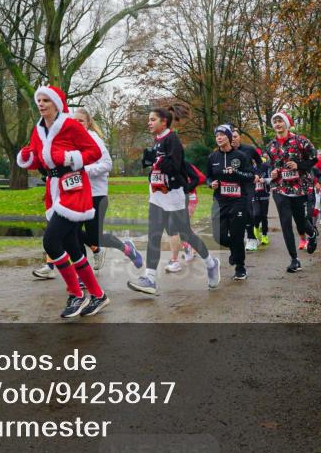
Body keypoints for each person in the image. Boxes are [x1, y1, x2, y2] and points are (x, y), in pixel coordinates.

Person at [17, 87, 110, 318]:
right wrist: (28, 157)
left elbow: (94, 152)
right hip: (54, 189)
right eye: (38, 100)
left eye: (46, 100)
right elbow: (40, 158)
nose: (41, 104)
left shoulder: (70, 125)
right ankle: (98, 295)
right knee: (72, 245)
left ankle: (76, 293)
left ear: (57, 103)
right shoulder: (38, 129)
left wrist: (71, 158)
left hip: (74, 187)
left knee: (51, 241)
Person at [31, 108, 143, 280]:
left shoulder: (93, 138)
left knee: (93, 237)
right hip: (77, 194)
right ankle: (81, 275)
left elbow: (107, 164)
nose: (76, 124)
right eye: (74, 121)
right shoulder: (70, 139)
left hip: (96, 195)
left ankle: (126, 247)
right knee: (72, 234)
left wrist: (82, 169)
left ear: (88, 123)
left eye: (80, 121)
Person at [129, 107, 219, 295]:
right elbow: (157, 168)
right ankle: (150, 278)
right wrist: (151, 163)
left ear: (164, 122)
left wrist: (157, 161)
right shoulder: (157, 141)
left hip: (174, 196)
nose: (149, 122)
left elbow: (175, 166)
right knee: (154, 234)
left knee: (185, 234)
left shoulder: (172, 139)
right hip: (156, 196)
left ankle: (211, 263)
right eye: (149, 119)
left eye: (153, 119)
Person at [263, 112, 318, 273]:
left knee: (300, 222)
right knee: (286, 223)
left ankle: (312, 234)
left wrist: (299, 165)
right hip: (280, 188)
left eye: (281, 121)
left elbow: (314, 159)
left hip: (299, 188)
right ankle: (294, 259)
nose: (278, 124)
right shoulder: (271, 145)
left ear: (287, 124)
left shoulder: (301, 141)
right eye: (275, 122)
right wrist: (273, 172)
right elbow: (272, 165)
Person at [207, 125, 255, 280]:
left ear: (228, 137)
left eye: (222, 135)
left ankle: (240, 267)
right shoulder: (212, 158)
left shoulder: (240, 156)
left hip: (238, 200)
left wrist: (236, 173)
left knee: (237, 233)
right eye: (217, 136)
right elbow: (208, 177)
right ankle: (235, 250)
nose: (219, 138)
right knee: (218, 236)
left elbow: (250, 176)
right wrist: (211, 183)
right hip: (220, 200)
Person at [165, 160, 205, 272]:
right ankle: (192, 249)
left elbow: (201, 178)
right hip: (174, 201)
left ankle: (187, 251)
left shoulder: (186, 164)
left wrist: (187, 185)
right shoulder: (165, 165)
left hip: (190, 199)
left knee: (178, 226)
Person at [231, 127, 264, 252]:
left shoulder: (249, 149)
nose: (233, 139)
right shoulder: (225, 151)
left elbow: (260, 162)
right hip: (232, 185)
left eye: (235, 136)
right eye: (231, 137)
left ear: (239, 137)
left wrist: (258, 174)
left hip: (248, 183)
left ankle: (251, 237)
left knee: (247, 209)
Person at [251, 151, 271, 247]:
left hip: (264, 194)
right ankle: (255, 227)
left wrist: (265, 180)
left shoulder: (265, 166)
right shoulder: (249, 167)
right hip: (254, 195)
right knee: (256, 214)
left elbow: (272, 178)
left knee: (264, 216)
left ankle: (264, 235)